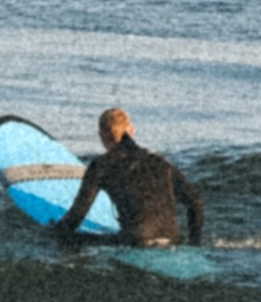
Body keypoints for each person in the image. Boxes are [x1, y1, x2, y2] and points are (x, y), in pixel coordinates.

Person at [55, 107, 206, 250]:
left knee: (71, 238)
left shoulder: (101, 165)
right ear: (131, 131)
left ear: (101, 136)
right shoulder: (160, 162)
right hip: (172, 240)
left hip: (135, 242)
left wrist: (56, 232)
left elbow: (77, 215)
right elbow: (195, 203)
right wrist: (194, 244)